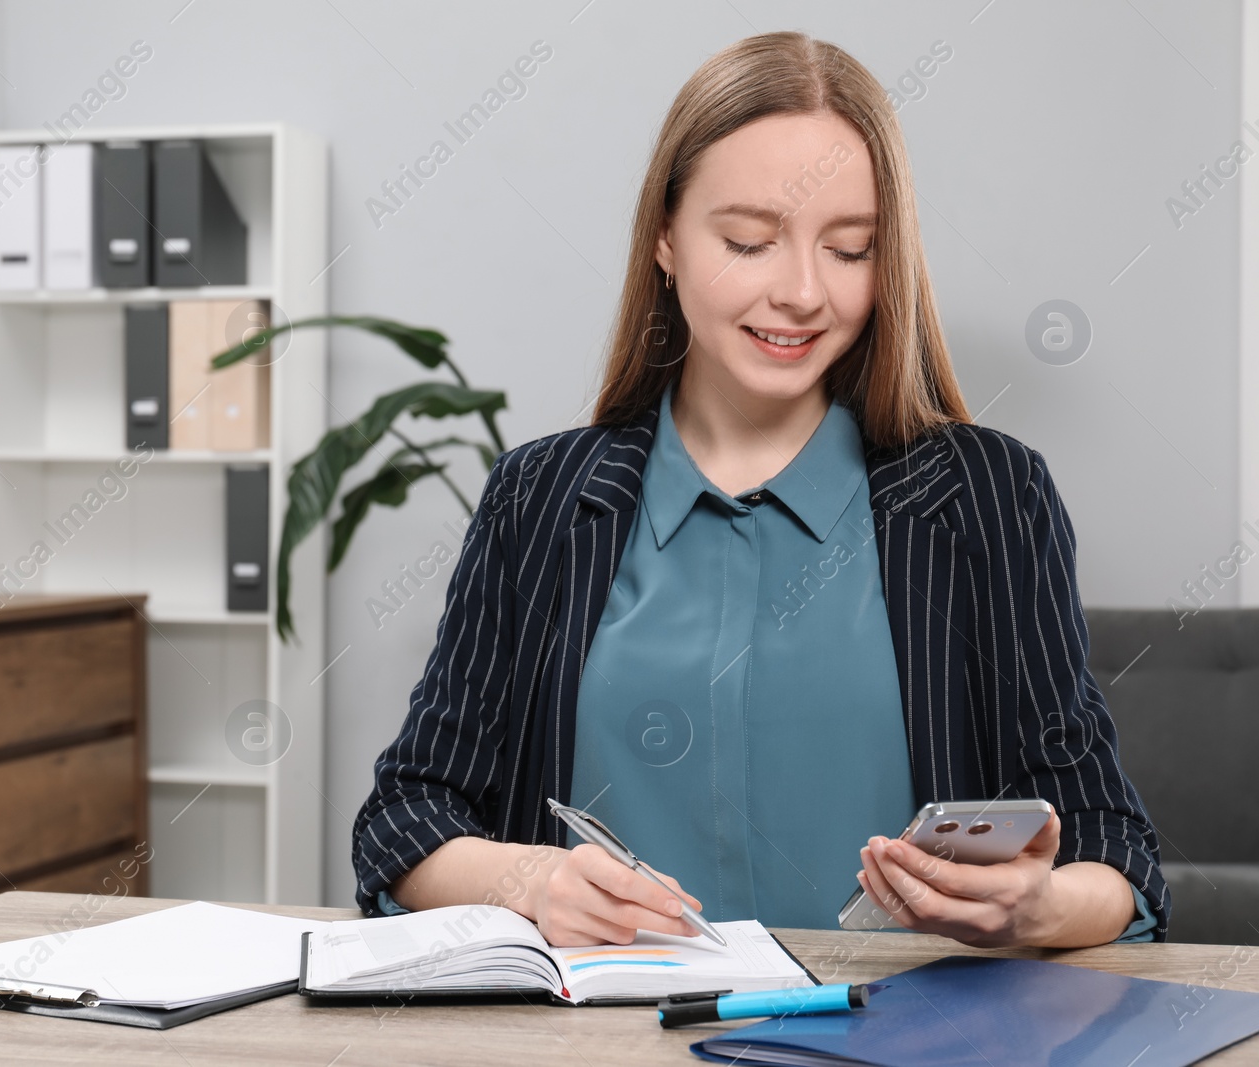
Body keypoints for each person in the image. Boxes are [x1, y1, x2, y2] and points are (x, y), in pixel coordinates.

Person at [350, 30, 1168, 949]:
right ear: (664, 238)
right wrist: (532, 878)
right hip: (599, 1043)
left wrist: (1039, 906)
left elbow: (1113, 849)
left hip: (905, 1041)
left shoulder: (987, 494)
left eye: (851, 250)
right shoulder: (537, 498)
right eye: (749, 241)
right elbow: (404, 819)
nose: (804, 292)